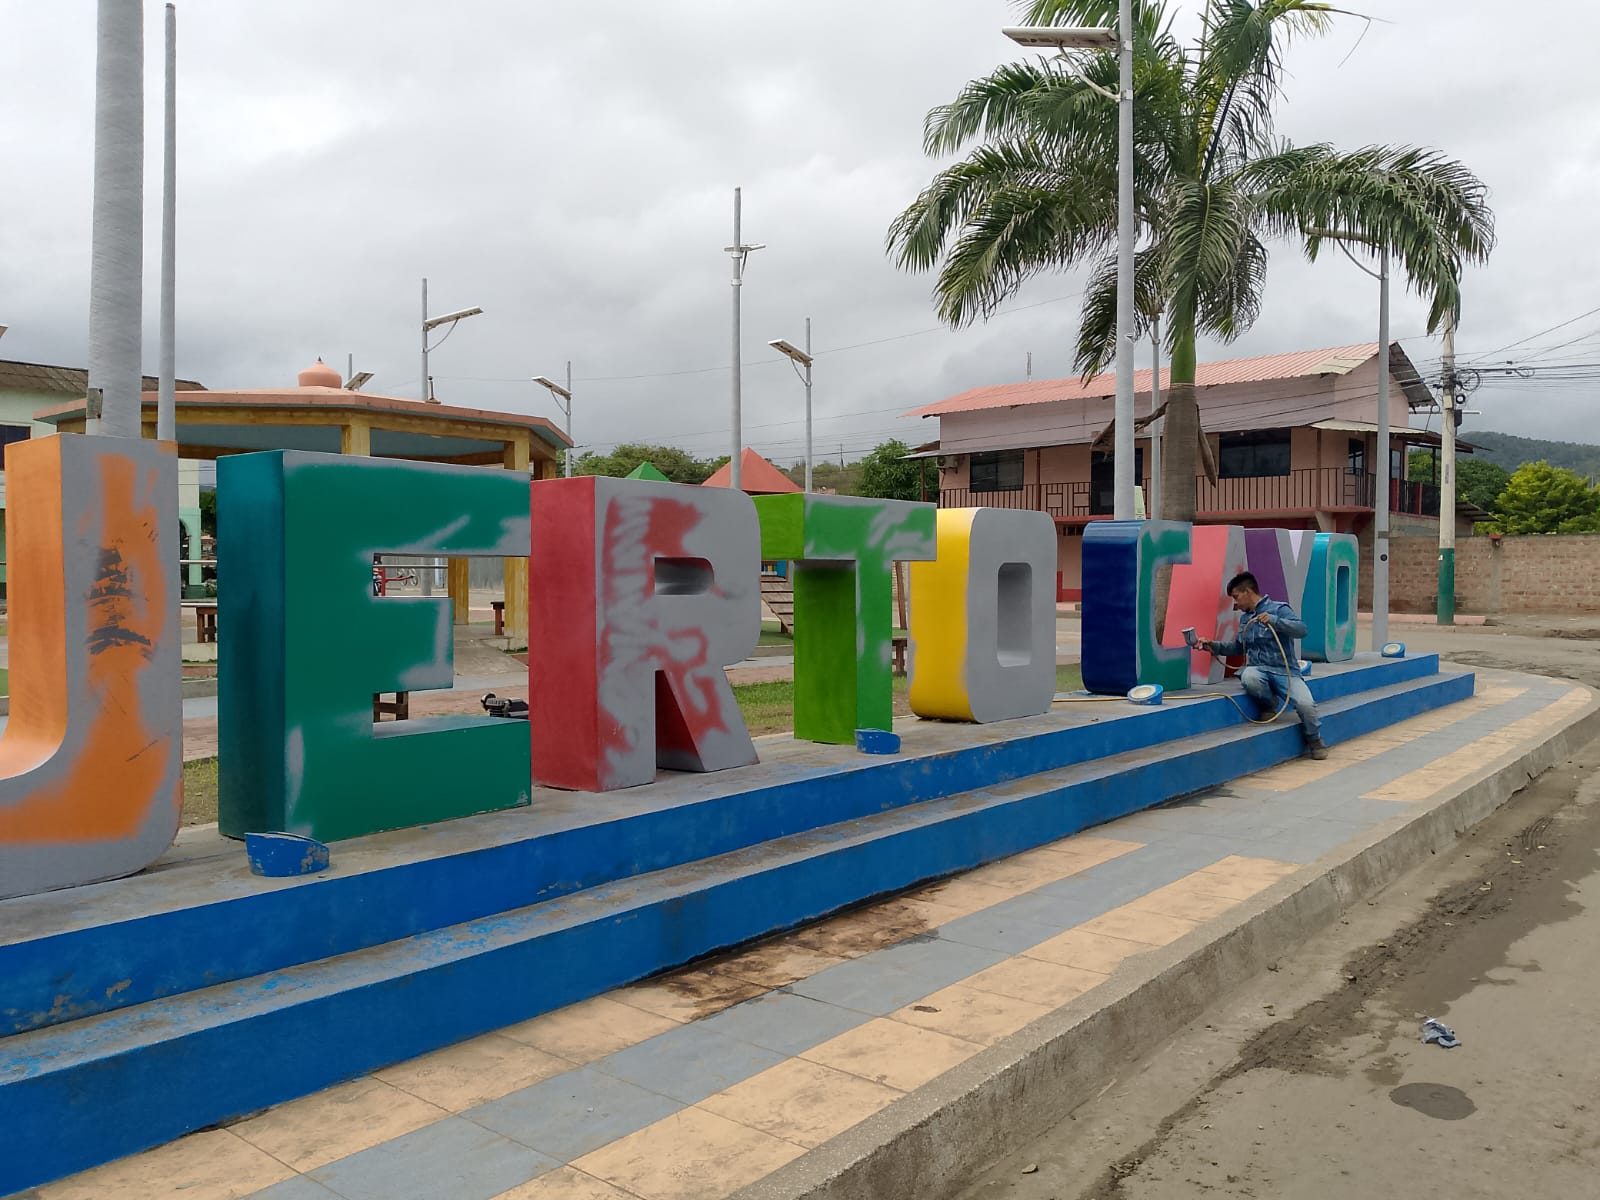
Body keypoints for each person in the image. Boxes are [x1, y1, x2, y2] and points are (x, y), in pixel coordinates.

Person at [1195, 571, 1327, 760]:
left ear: (1248, 592)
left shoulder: (1279, 609)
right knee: (1249, 676)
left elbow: (1301, 630)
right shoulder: (1245, 619)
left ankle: (1314, 739)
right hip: (1258, 669)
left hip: (1285, 671)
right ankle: (1269, 703)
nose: (1235, 604)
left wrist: (1275, 621)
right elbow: (1239, 647)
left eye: (1236, 597)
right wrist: (1214, 646)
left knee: (1305, 704)